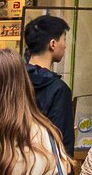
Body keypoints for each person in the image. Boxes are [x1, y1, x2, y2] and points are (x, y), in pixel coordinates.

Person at [23, 16, 75, 154]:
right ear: (53, 44)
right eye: (64, 39)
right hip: (45, 167)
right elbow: (61, 141)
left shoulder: (11, 80)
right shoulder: (59, 89)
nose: (65, 45)